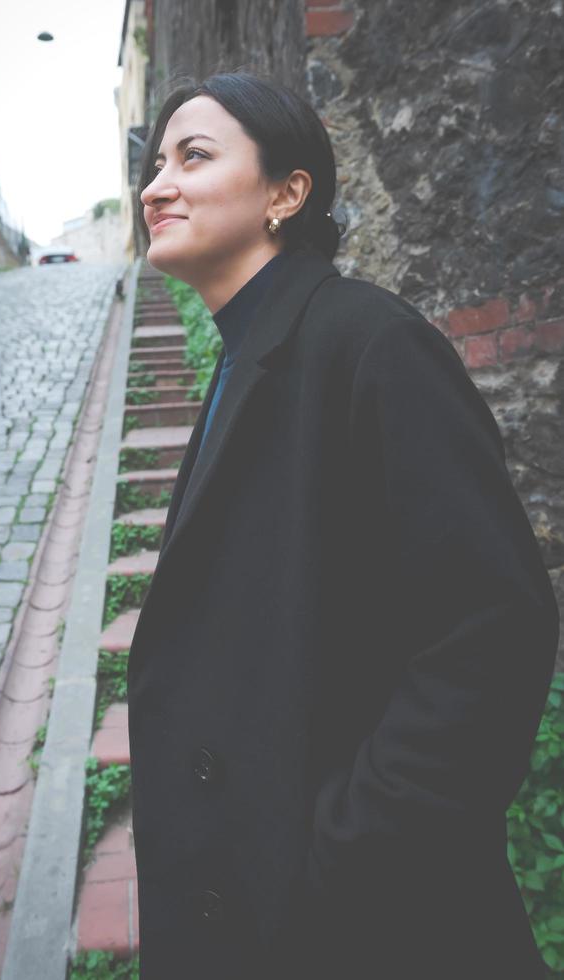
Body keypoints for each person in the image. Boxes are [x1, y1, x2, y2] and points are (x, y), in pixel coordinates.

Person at [126, 70, 560, 979]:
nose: (154, 185)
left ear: (288, 192)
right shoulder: (251, 355)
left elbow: (491, 631)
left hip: (364, 926)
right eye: (154, 162)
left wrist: (339, 856)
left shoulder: (370, 343)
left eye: (192, 156)